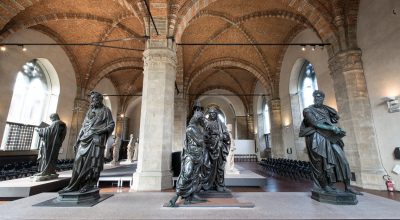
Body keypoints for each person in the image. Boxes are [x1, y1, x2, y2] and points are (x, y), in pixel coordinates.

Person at [299, 90, 362, 195]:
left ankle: (348, 186)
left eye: (320, 97)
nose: (317, 99)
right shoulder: (308, 110)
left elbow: (333, 119)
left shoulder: (327, 110)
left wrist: (333, 128)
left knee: (343, 161)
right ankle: (324, 186)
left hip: (331, 137)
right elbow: (314, 123)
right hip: (317, 138)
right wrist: (331, 127)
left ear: (323, 99)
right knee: (321, 163)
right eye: (316, 97)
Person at [59, 91, 115, 194]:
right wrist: (77, 140)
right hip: (85, 139)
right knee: (78, 161)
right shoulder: (90, 111)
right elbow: (84, 126)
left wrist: (102, 131)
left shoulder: (106, 111)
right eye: (92, 99)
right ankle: (75, 185)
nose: (93, 100)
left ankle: (89, 184)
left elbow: (111, 124)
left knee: (93, 163)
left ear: (100, 99)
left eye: (95, 98)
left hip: (96, 140)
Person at [168, 110, 206, 207]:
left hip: (198, 155)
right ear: (197, 119)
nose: (202, 121)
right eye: (201, 119)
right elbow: (200, 141)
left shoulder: (198, 129)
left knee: (195, 175)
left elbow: (201, 141)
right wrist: (205, 134)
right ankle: (175, 196)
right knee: (187, 173)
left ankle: (190, 197)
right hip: (191, 154)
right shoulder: (190, 129)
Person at [200, 107, 231, 192]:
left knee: (219, 168)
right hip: (209, 148)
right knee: (206, 166)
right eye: (210, 113)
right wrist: (210, 139)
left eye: (214, 113)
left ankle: (219, 184)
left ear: (216, 114)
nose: (212, 115)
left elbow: (226, 136)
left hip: (219, 148)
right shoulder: (206, 124)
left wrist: (221, 136)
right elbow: (204, 136)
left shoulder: (221, 124)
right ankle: (206, 185)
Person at [35, 113, 67, 177]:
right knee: (53, 157)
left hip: (51, 143)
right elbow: (62, 135)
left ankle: (46, 171)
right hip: (56, 143)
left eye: (51, 119)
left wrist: (39, 130)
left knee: (47, 157)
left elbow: (48, 131)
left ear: (54, 117)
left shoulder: (55, 123)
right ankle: (52, 170)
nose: (51, 121)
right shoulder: (63, 124)